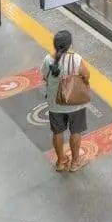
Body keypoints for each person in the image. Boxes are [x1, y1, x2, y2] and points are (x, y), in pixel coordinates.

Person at [41, 30, 91, 172]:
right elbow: (86, 75)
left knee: (57, 132)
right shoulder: (75, 59)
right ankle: (75, 162)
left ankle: (61, 161)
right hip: (74, 103)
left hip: (55, 104)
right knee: (76, 131)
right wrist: (85, 83)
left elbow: (44, 77)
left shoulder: (48, 59)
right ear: (70, 45)